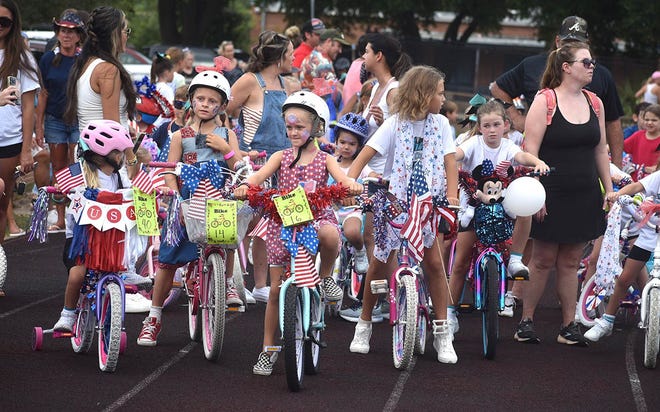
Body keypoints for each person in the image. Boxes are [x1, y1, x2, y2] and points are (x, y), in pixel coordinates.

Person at [233, 90, 362, 375]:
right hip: (283, 223)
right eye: (289, 126)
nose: (293, 131)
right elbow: (258, 176)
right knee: (277, 289)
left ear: (316, 128)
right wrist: (246, 185)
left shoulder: (326, 158)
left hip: (316, 220)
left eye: (299, 127)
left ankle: (326, 276)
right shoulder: (280, 156)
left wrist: (351, 185)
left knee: (330, 235)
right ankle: (268, 348)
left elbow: (342, 178)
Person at [346, 65, 460, 363]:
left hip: (427, 202)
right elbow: (364, 156)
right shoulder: (394, 124)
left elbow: (450, 162)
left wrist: (452, 194)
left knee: (435, 263)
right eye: (439, 93)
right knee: (381, 262)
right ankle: (365, 323)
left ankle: (442, 331)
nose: (443, 99)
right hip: (394, 201)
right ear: (423, 96)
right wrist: (350, 180)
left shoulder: (441, 125)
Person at [515, 42, 613, 346]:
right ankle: (526, 322)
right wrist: (538, 194)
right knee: (543, 259)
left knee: (571, 262)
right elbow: (529, 152)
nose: (592, 66)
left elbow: (600, 149)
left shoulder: (595, 102)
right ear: (566, 67)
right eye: (586, 61)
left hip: (584, 192)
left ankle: (568, 326)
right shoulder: (545, 101)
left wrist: (609, 189)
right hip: (551, 191)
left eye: (592, 61)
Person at [137, 70, 241, 347]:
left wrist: (226, 149)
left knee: (227, 237)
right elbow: (170, 169)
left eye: (212, 100)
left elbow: (239, 168)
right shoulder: (179, 135)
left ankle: (227, 281)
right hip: (186, 202)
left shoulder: (226, 134)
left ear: (221, 105)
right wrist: (172, 189)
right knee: (168, 260)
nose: (205, 104)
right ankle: (154, 317)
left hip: (218, 199)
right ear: (191, 101)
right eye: (200, 99)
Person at [447, 100, 549, 335]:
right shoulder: (473, 144)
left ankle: (514, 258)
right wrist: (450, 158)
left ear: (505, 125)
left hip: (503, 208)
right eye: (486, 126)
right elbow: (457, 154)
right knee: (460, 262)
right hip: (475, 206)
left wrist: (538, 162)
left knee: (525, 210)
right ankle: (450, 312)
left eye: (496, 125)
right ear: (480, 127)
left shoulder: (508, 146)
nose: (492, 130)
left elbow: (522, 157)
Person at [339, 33, 412, 322]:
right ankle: (380, 300)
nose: (362, 58)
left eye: (366, 52)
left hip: (385, 177)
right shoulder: (375, 89)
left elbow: (402, 135)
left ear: (378, 56)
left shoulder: (394, 91)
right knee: (375, 239)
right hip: (373, 176)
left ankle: (382, 301)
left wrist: (384, 123)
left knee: (380, 241)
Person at [490, 16, 624, 168]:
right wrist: (516, 117)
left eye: (578, 44)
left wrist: (618, 168)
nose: (571, 48)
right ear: (557, 41)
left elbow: (613, 122)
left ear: (587, 45)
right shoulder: (532, 66)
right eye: (567, 43)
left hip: (584, 161)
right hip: (541, 158)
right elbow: (497, 88)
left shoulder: (598, 74)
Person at [51, 119, 148, 331]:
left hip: (111, 240)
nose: (122, 156)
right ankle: (67, 314)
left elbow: (138, 187)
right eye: (118, 152)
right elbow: (63, 187)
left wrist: (152, 193)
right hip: (83, 241)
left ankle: (128, 269)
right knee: (77, 274)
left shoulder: (119, 177)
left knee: (134, 234)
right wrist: (59, 190)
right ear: (99, 155)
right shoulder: (80, 175)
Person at [226, 30, 294, 303]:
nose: (292, 58)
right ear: (278, 57)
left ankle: (261, 285)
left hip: (284, 163)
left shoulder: (287, 84)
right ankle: (231, 280)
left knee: (272, 224)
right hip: (253, 163)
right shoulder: (248, 81)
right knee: (243, 220)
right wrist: (235, 147)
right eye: (289, 54)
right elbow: (223, 111)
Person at [64, 6, 138, 180]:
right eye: (125, 30)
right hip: (107, 157)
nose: (127, 35)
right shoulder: (108, 69)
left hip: (88, 151)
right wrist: (131, 158)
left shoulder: (87, 63)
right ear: (114, 34)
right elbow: (112, 124)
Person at [584, 175, 658, 342]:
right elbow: (636, 187)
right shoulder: (658, 178)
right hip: (650, 235)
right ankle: (607, 321)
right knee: (625, 278)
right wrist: (617, 195)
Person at [35, 10, 86, 233]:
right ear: (57, 33)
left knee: (76, 166)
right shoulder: (48, 59)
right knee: (59, 168)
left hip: (77, 118)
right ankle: (61, 217)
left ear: (78, 36)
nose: (66, 35)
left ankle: (78, 213)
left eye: (71, 32)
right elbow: (43, 92)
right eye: (63, 30)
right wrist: (39, 125)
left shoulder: (83, 59)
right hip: (54, 119)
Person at [0, 0, 40, 247]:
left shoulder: (22, 57)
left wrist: (26, 150)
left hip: (9, 140)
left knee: (2, 204)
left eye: (4, 22)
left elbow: (28, 108)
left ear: (13, 25)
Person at [331, 113, 373, 276]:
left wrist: (376, 177)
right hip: (331, 210)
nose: (346, 147)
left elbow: (371, 175)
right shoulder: (330, 162)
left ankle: (359, 250)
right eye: (342, 142)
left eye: (352, 144)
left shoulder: (361, 166)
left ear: (359, 147)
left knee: (353, 232)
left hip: (352, 210)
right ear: (336, 142)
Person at [151, 85, 188, 162]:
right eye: (177, 104)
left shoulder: (195, 129)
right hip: (163, 170)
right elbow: (151, 148)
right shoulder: (165, 127)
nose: (181, 109)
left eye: (185, 105)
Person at [623, 104, 660, 176]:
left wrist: (656, 168)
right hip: (637, 181)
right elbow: (619, 147)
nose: (649, 123)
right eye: (647, 120)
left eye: (654, 120)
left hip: (655, 180)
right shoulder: (638, 135)